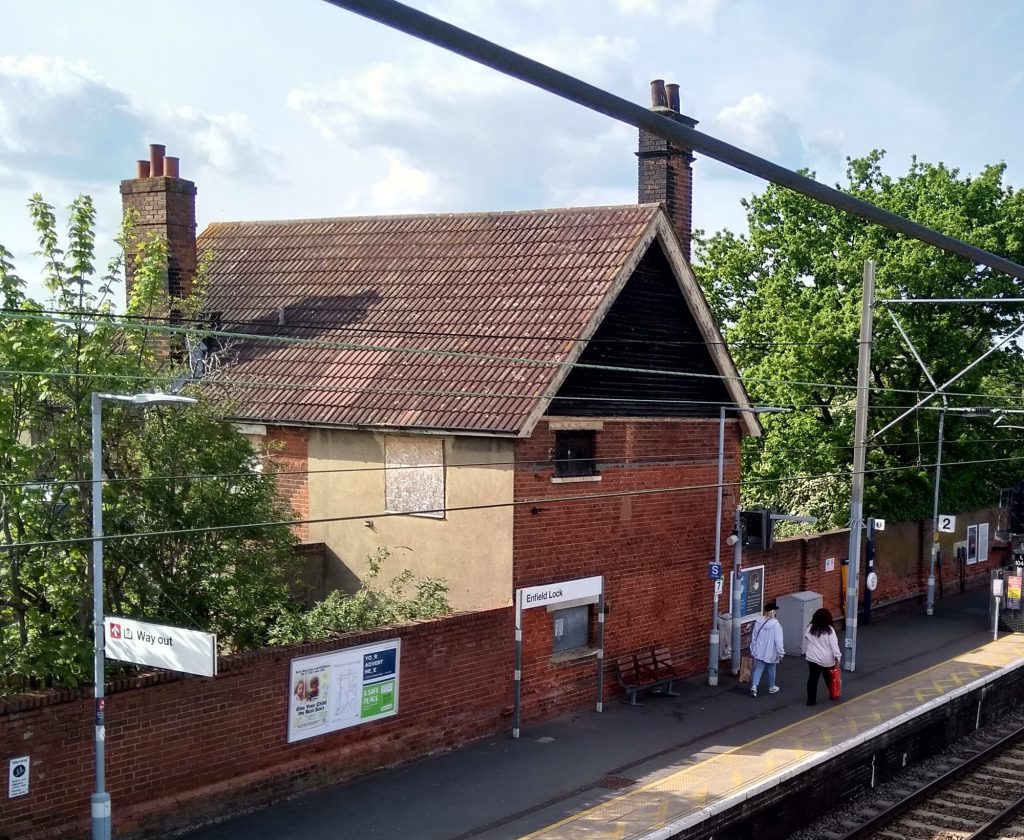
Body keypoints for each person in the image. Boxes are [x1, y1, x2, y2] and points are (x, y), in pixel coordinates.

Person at [802, 607, 841, 706]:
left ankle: (811, 700)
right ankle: (833, 694)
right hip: (827, 660)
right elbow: (834, 646)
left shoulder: (811, 627)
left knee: (812, 679)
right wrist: (838, 658)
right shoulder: (829, 630)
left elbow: (807, 637)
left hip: (812, 658)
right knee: (829, 679)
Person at [749, 600, 785, 698]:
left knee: (759, 668)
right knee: (771, 668)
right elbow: (778, 641)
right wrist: (781, 653)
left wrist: (752, 648)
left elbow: (754, 636)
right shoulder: (776, 625)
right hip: (771, 651)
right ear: (773, 612)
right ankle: (771, 687)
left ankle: (754, 686)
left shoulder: (759, 622)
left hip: (759, 649)